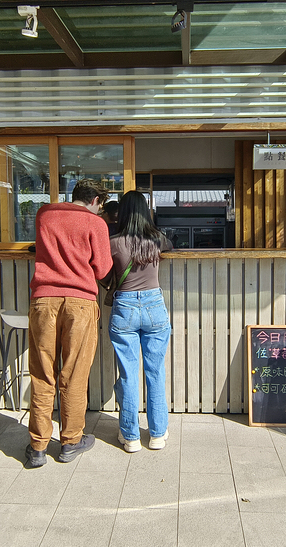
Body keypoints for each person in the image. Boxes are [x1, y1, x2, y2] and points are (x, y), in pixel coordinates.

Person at [25, 178, 112, 468]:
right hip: (80, 302)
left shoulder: (44, 213)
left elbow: (41, 248)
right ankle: (71, 442)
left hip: (44, 299)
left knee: (42, 372)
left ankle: (37, 446)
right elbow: (102, 268)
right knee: (74, 374)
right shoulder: (96, 223)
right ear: (96, 201)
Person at [108, 191, 174, 452]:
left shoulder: (113, 241)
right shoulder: (157, 239)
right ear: (145, 212)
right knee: (155, 372)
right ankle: (157, 434)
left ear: (122, 213)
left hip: (124, 306)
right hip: (154, 306)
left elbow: (102, 270)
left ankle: (131, 437)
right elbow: (171, 245)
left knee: (128, 374)